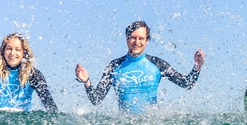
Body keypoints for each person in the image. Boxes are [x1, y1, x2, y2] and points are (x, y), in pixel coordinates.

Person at [75, 20, 205, 114]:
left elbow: (187, 83)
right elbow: (96, 99)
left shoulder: (157, 64)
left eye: (141, 38)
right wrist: (86, 81)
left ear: (147, 40)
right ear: (127, 39)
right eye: (133, 38)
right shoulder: (114, 66)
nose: (137, 42)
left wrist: (197, 66)